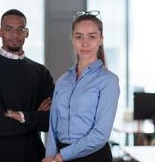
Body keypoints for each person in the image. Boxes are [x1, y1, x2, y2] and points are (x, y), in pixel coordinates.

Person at [0, 9, 54, 162]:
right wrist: (35, 116)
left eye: (20, 29)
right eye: (9, 29)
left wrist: (21, 116)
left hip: (34, 155)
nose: (15, 35)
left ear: (27, 33)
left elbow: (53, 120)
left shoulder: (41, 72)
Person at [43, 10, 120, 162]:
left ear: (101, 39)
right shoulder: (62, 81)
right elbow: (53, 125)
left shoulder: (108, 81)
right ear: (72, 39)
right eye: (79, 36)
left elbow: (100, 134)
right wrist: (50, 156)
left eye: (92, 36)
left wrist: (61, 156)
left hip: (93, 157)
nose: (85, 43)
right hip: (58, 156)